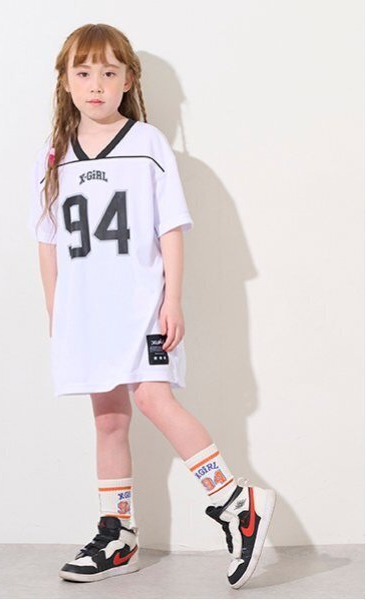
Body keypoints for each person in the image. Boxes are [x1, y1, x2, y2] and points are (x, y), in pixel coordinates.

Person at [27, 23, 276, 590]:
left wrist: (173, 300)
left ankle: (235, 501)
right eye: (83, 73)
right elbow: (47, 240)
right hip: (87, 313)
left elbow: (170, 227)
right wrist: (56, 311)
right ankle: (118, 535)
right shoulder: (52, 156)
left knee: (153, 398)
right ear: (65, 82)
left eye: (108, 72)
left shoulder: (147, 144)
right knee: (109, 418)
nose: (96, 84)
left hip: (141, 305)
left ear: (128, 80)